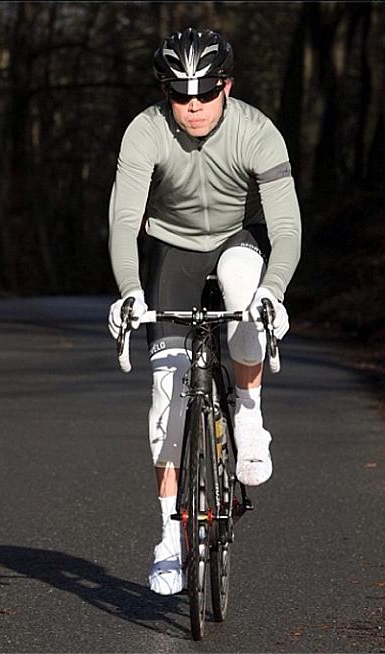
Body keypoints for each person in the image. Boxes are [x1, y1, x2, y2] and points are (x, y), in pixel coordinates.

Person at [107, 28, 301, 595]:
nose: (193, 106)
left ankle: (248, 412)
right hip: (173, 250)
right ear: (165, 93)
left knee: (244, 284)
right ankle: (171, 539)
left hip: (239, 238)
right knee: (166, 395)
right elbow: (125, 221)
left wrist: (274, 292)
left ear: (227, 86)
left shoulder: (257, 132)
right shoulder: (145, 131)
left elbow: (286, 229)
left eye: (206, 93)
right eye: (180, 94)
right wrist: (129, 290)